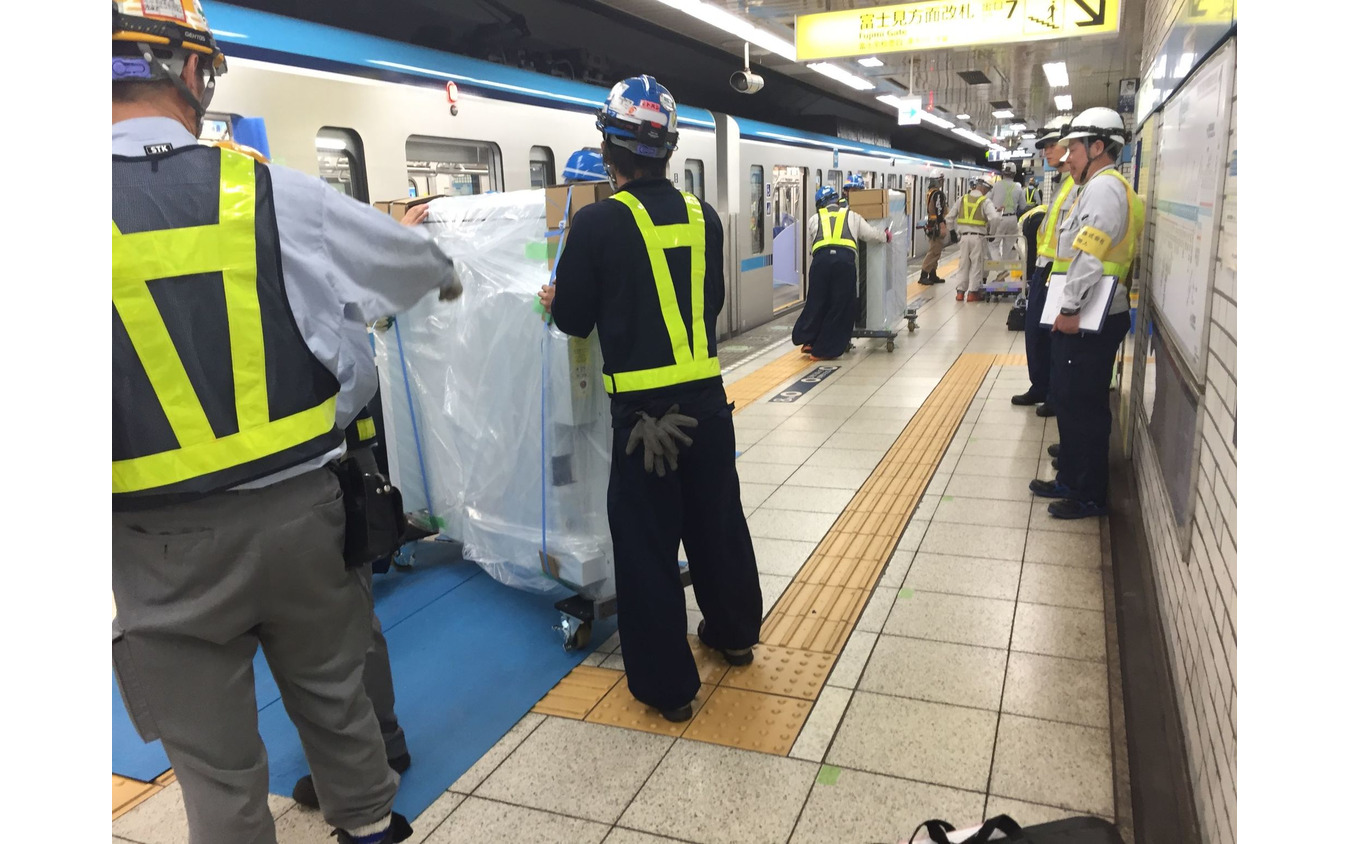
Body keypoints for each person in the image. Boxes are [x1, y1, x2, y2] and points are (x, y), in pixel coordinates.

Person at [111, 3, 461, 842]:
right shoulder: (270, 190)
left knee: (217, 772)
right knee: (337, 704)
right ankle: (369, 829)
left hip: (155, 547)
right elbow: (415, 266)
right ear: (192, 73)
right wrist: (441, 273)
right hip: (304, 516)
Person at [537, 75, 762, 723]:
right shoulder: (704, 216)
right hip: (709, 406)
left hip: (644, 422)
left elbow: (576, 321)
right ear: (667, 149)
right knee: (716, 522)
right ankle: (734, 635)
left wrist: (560, 300)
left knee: (647, 546)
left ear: (609, 147)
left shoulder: (597, 222)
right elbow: (707, 302)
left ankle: (669, 689)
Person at [1028, 107, 1144, 520]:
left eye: (1074, 148)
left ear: (1098, 147)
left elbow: (1090, 257)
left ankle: (1088, 493)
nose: (1066, 157)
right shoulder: (1095, 186)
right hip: (1085, 313)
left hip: (1090, 316)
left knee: (1085, 408)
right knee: (1071, 400)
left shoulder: (1104, 189)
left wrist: (1069, 308)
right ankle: (1071, 478)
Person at [1012, 116, 1078, 419]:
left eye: (1052, 146)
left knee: (1049, 337)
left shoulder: (1078, 187)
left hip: (1058, 271)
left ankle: (1051, 393)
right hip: (1044, 269)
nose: (1046, 153)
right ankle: (1040, 386)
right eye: (1045, 148)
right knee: (1035, 334)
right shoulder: (1063, 185)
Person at [792, 184, 892, 359]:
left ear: (820, 205)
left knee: (816, 302)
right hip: (844, 263)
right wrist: (885, 236)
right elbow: (870, 235)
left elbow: (811, 247)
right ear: (838, 200)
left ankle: (808, 340)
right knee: (840, 306)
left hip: (820, 262)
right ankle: (823, 350)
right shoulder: (852, 216)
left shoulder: (815, 219)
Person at [947, 178, 993, 302]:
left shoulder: (962, 199)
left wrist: (952, 232)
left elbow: (949, 218)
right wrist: (991, 232)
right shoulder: (985, 201)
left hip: (963, 237)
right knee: (976, 265)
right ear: (983, 187)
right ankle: (973, 293)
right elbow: (995, 218)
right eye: (987, 189)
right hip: (978, 238)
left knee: (963, 265)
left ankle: (960, 293)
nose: (987, 192)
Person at [919, 175, 948, 285]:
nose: (941, 182)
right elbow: (939, 210)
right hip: (936, 225)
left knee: (936, 250)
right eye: (941, 180)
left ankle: (932, 274)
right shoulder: (938, 194)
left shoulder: (930, 192)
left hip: (932, 224)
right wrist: (942, 225)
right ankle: (923, 275)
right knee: (934, 251)